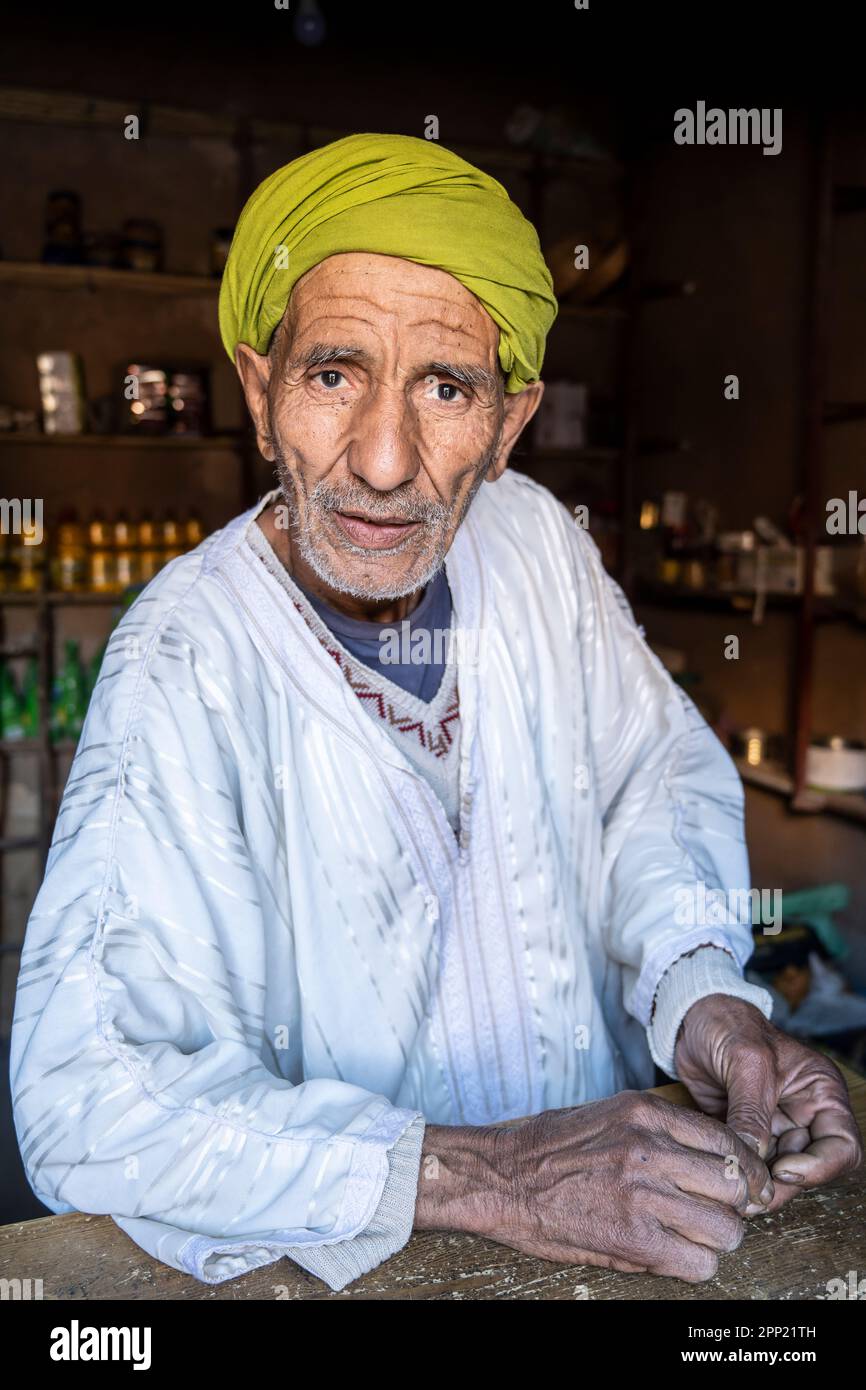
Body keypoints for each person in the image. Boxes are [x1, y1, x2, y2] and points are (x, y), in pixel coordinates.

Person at [10, 133, 861, 1291]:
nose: (379, 457)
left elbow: (646, 784)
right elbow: (88, 1093)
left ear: (510, 425)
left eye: (444, 386)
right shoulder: (185, 654)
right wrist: (492, 1177)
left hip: (633, 1240)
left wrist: (699, 991)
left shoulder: (535, 544)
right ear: (260, 395)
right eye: (331, 374)